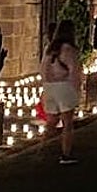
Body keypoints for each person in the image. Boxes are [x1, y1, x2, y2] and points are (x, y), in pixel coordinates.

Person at [40, 20, 82, 165]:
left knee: (51, 122)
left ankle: (43, 149)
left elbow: (43, 70)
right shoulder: (68, 49)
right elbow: (74, 72)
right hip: (64, 87)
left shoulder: (49, 49)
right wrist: (77, 90)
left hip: (49, 87)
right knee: (67, 123)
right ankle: (66, 154)